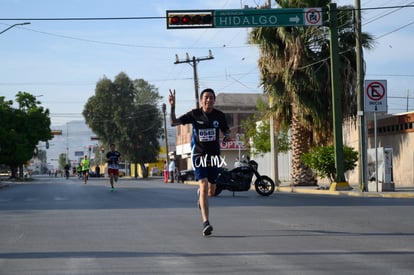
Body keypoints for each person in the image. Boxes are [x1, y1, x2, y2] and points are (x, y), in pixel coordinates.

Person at [169, 88, 230, 236]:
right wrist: (172, 106)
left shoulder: (219, 115)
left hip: (214, 156)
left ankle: (201, 200)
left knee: (212, 191)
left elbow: (226, 130)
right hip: (199, 155)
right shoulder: (194, 114)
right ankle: (206, 223)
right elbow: (173, 122)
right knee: (203, 185)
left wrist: (226, 136)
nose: (208, 100)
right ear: (201, 100)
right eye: (206, 97)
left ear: (214, 100)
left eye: (211, 97)